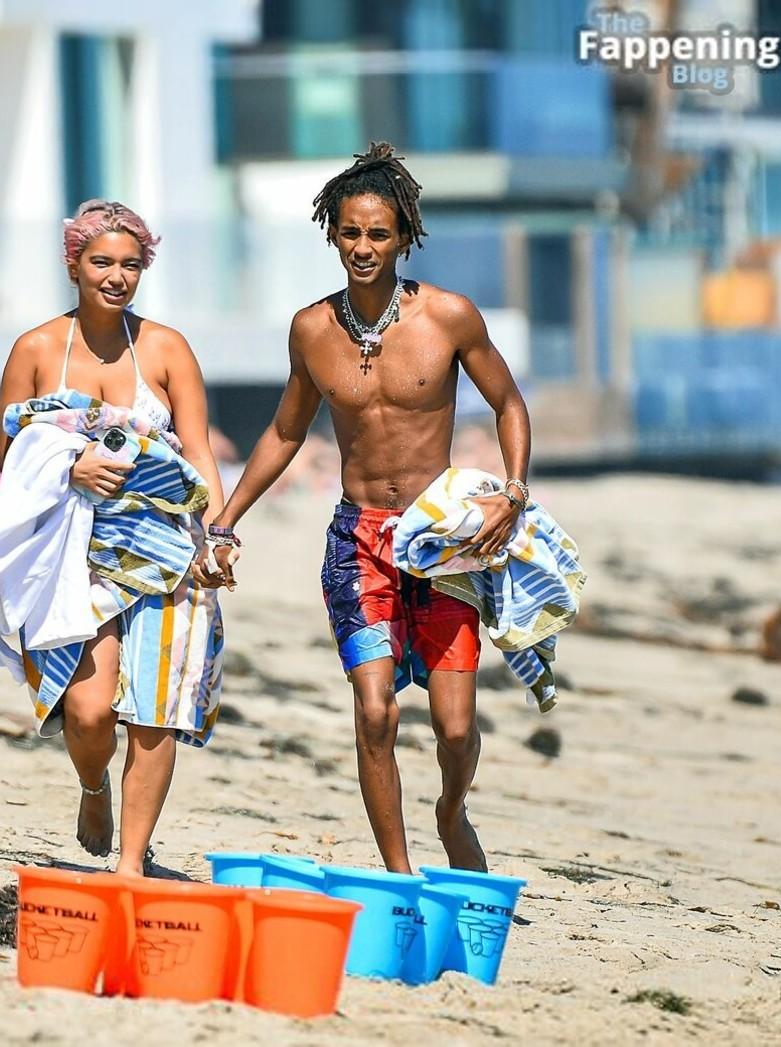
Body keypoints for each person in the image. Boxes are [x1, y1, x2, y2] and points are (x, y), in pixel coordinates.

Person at [199, 144, 532, 874]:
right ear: (332, 233)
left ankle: (451, 809)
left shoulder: (449, 316)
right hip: (358, 541)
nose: (363, 247)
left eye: (378, 233)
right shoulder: (312, 329)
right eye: (350, 231)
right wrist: (225, 519)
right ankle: (399, 875)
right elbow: (286, 431)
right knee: (375, 711)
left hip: (441, 542)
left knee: (454, 727)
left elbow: (509, 403)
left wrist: (513, 492)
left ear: (403, 237)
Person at [0, 200, 225, 876]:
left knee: (155, 709)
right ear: (74, 264)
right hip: (71, 550)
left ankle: (130, 864)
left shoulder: (166, 348)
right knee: (91, 711)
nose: (116, 276)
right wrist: (70, 467)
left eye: (130, 264)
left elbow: (199, 452)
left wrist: (218, 534)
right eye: (101, 262)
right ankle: (94, 787)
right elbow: (10, 460)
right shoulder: (37, 349)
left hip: (167, 545)